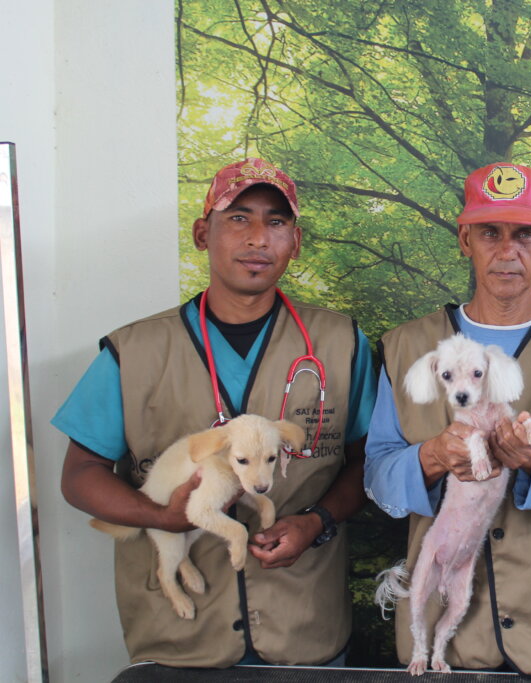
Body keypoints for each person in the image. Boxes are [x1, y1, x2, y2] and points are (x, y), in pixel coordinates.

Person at [54, 158, 376, 667]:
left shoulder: (341, 344)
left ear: (295, 241)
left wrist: (316, 521)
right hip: (178, 636)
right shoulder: (134, 351)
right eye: (238, 218)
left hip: (304, 626)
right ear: (203, 233)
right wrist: (161, 516)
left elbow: (370, 460)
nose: (257, 239)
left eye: (276, 222)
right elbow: (80, 476)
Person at [364, 162, 531, 676]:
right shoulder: (405, 349)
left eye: (526, 234)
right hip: (446, 640)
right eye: (490, 233)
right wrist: (431, 457)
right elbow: (376, 477)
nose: (508, 251)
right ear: (465, 239)